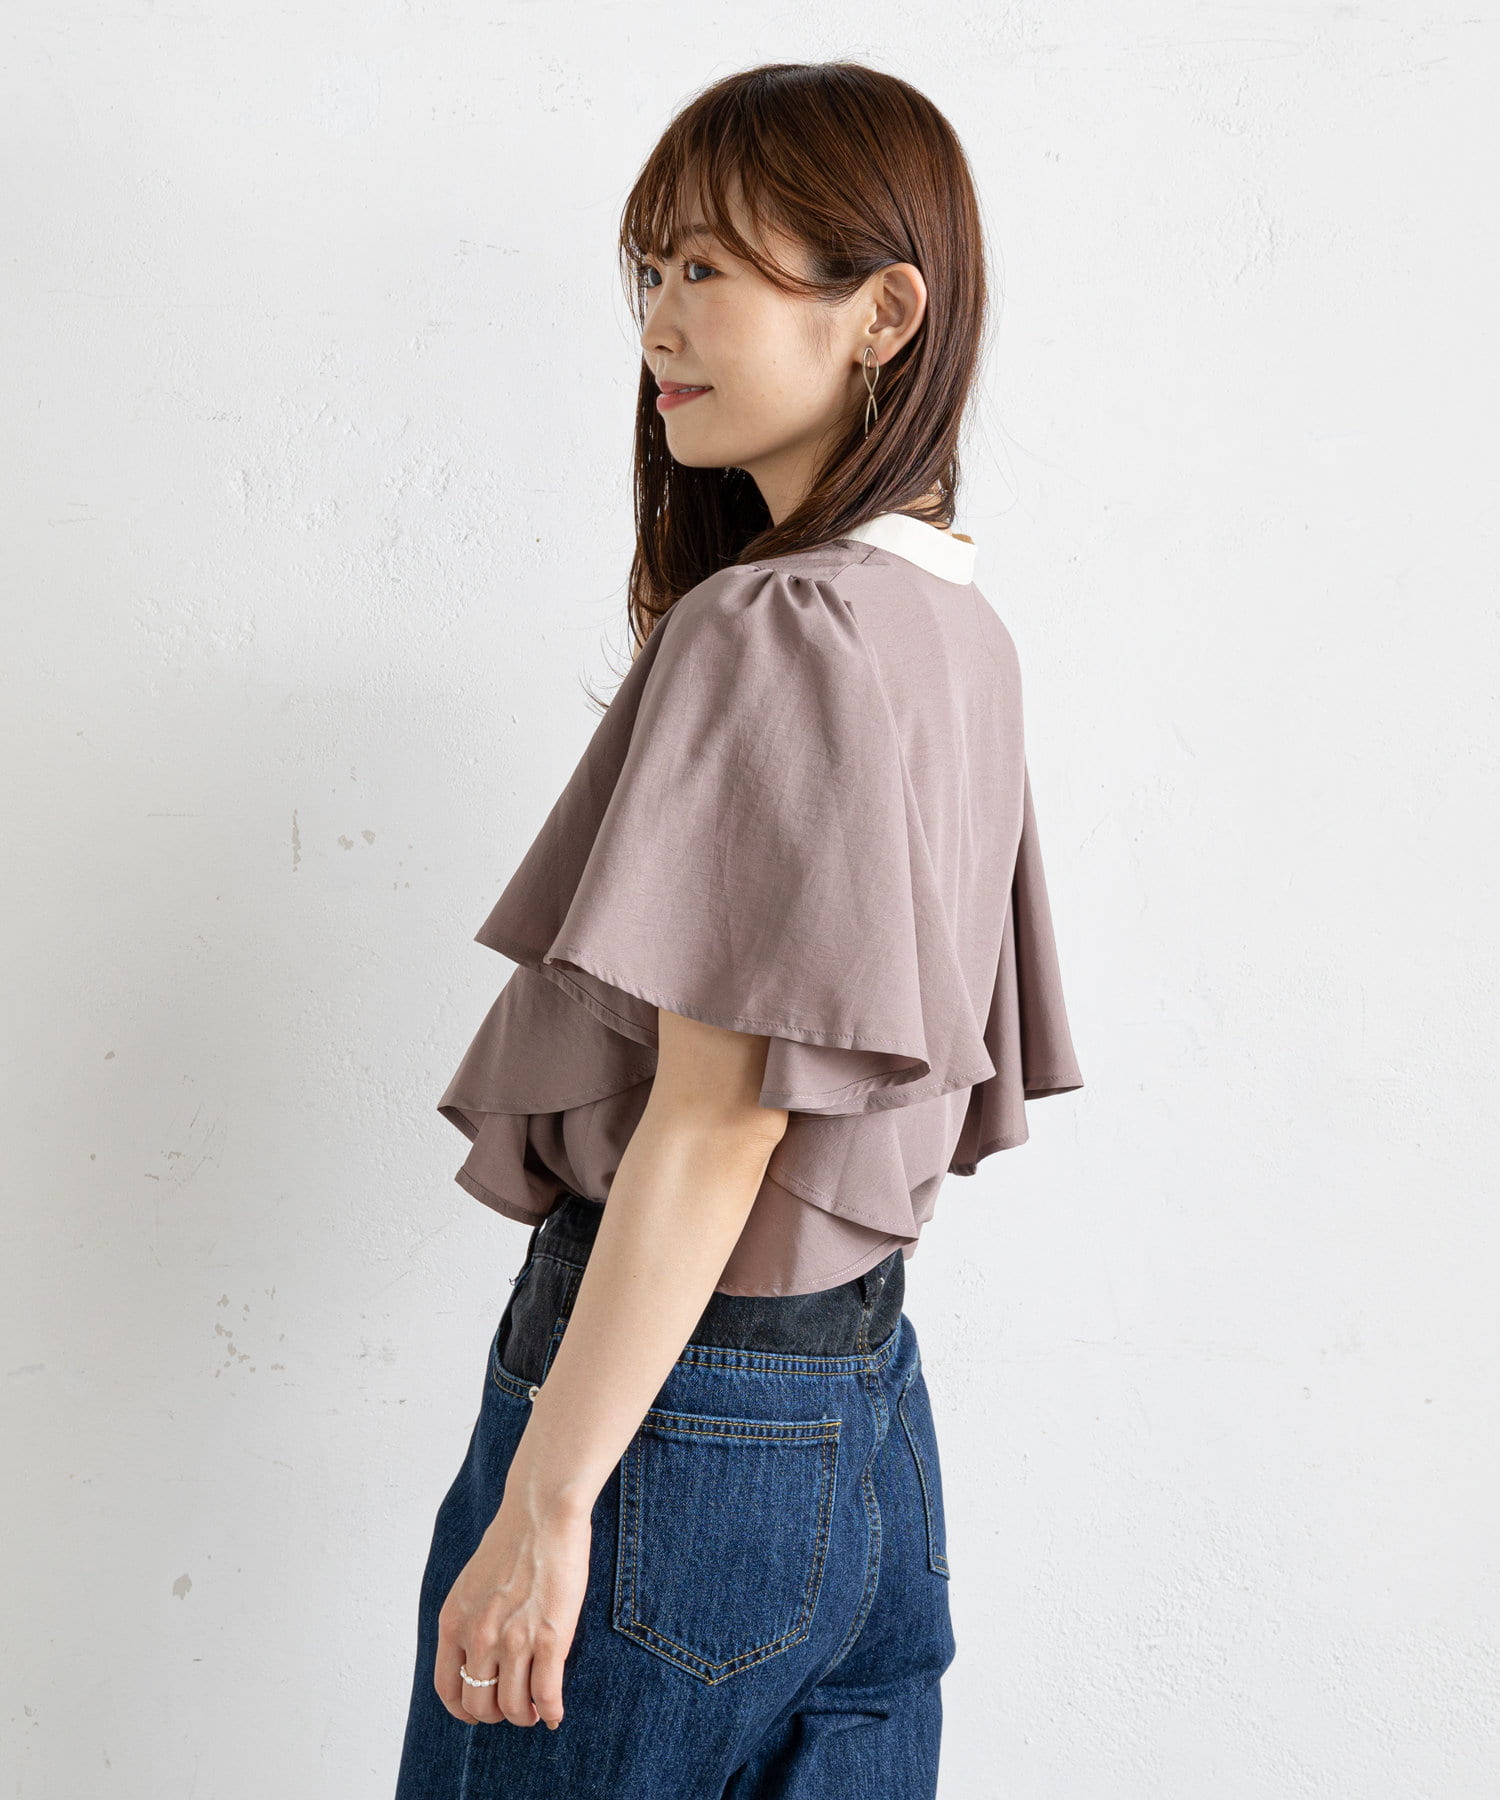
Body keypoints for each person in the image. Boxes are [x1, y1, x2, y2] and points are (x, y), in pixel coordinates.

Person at [393, 59, 1084, 1800]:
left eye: (710, 267)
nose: (659, 323)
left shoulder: (771, 622)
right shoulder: (960, 632)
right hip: (867, 1430)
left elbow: (718, 1120)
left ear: (884, 312)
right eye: (651, 270)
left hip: (668, 1438)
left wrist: (551, 1506)